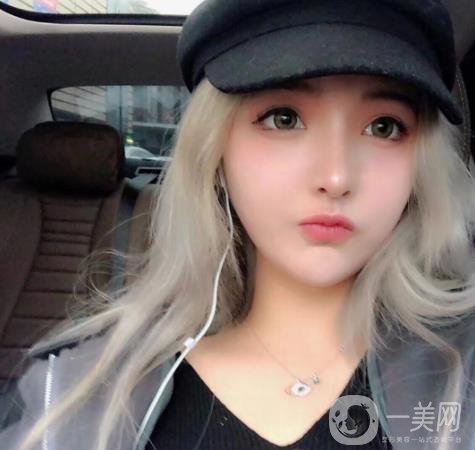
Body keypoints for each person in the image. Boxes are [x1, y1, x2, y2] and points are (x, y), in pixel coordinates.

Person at [2, 0, 475, 449]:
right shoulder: (72, 394)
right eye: (284, 119)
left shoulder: (463, 375)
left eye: (384, 127)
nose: (336, 178)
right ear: (216, 153)